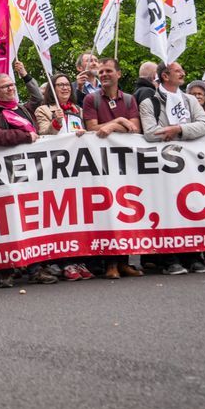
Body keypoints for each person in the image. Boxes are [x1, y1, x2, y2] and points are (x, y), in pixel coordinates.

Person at [0, 72, 57, 287]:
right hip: (7, 175)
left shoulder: (22, 109)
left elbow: (38, 98)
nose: (10, 89)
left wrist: (25, 76)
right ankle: (7, 270)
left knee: (31, 220)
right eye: (5, 86)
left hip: (29, 175)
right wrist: (25, 137)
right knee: (9, 221)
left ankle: (35, 268)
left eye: (12, 85)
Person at [139, 62, 205, 275]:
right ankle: (169, 259)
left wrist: (179, 129)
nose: (183, 73)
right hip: (162, 166)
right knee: (165, 209)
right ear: (165, 76)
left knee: (191, 208)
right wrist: (169, 131)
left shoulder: (188, 100)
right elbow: (151, 133)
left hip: (189, 165)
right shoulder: (149, 101)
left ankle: (193, 256)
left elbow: (204, 124)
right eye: (179, 71)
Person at [81, 58, 143, 279]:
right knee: (107, 211)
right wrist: (118, 122)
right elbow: (93, 128)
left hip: (125, 164)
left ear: (118, 73)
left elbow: (134, 128)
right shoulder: (91, 99)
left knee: (127, 209)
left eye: (108, 71)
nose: (104, 74)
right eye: (101, 71)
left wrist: (114, 125)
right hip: (101, 165)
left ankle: (125, 261)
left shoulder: (129, 99)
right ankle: (110, 263)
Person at [34, 73, 93, 282]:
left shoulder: (79, 110)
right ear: (52, 88)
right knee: (62, 216)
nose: (65, 88)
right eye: (60, 85)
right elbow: (43, 133)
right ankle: (63, 261)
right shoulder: (44, 109)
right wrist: (57, 123)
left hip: (79, 168)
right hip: (57, 170)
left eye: (67, 84)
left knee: (79, 215)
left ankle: (78, 258)